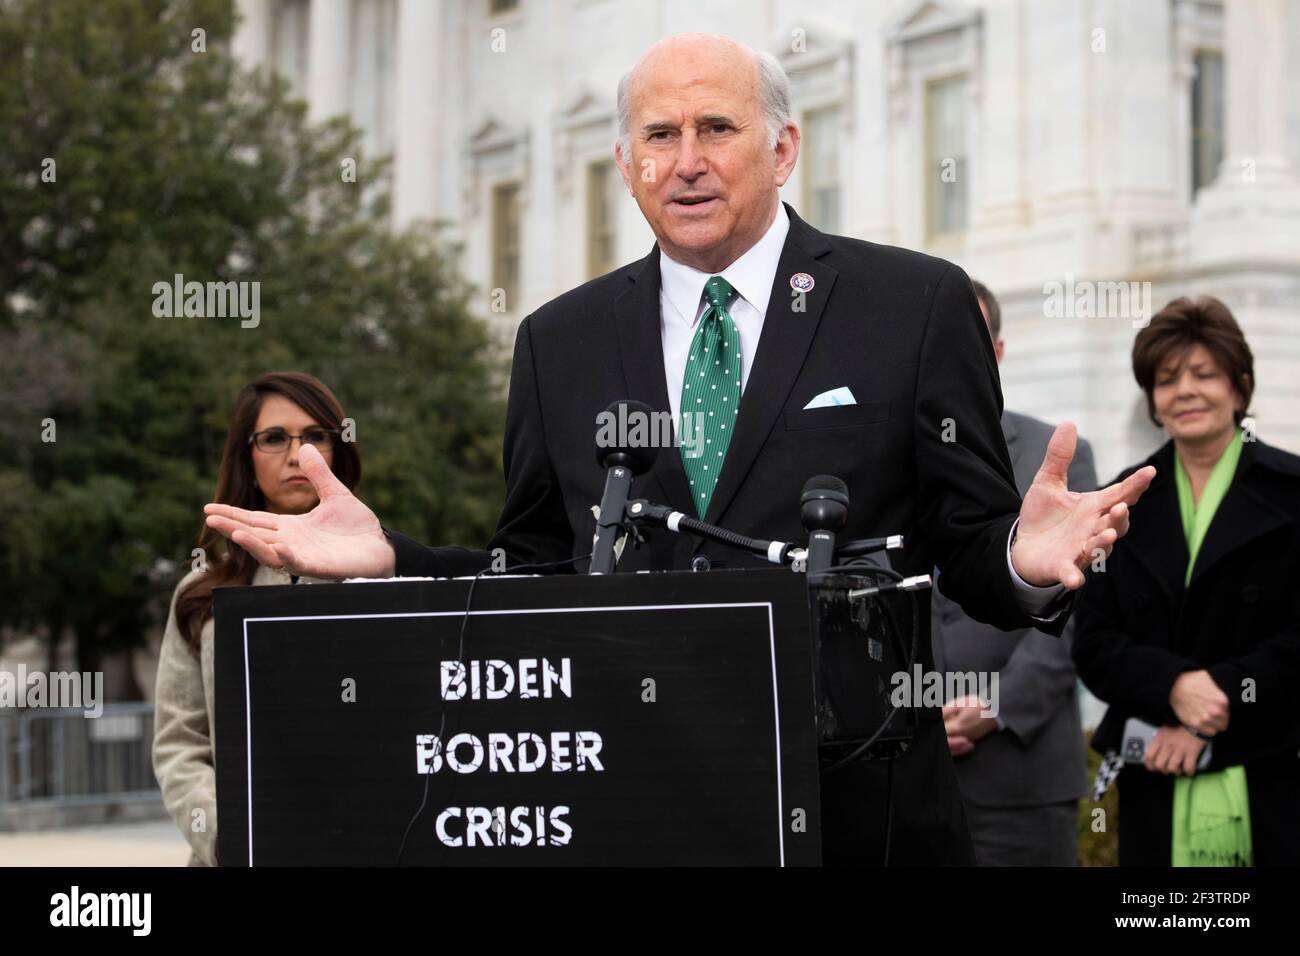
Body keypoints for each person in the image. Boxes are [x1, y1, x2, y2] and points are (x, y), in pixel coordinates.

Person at [203, 34, 1153, 865]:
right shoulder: (557, 341)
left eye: (717, 129)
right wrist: (393, 563)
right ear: (625, 162)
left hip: (861, 815)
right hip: (640, 809)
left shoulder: (911, 305)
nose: (687, 161)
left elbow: (969, 543)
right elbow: (537, 574)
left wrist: (1024, 562)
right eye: (660, 136)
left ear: (783, 149)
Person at [1073, 296, 1300, 866]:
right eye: (1168, 379)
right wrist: (1173, 688)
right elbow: (1094, 643)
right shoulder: (1119, 500)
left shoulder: (1292, 489)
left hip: (1273, 765)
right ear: (1152, 399)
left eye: (1205, 374)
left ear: (1240, 388)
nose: (1186, 391)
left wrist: (1219, 696)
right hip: (1155, 767)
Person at [153, 372, 360, 866]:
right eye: (274, 438)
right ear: (245, 453)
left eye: (315, 436)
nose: (297, 455)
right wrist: (231, 839)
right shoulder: (200, 595)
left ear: (339, 449)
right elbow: (180, 743)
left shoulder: (386, 581)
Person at [931, 281, 1096, 866]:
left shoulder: (1059, 455)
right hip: (906, 774)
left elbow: (1079, 613)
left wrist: (994, 708)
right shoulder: (875, 455)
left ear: (996, 353)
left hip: (1021, 781)